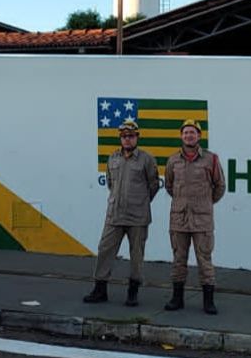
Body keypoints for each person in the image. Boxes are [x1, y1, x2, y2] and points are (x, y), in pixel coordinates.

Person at [83, 118, 159, 305]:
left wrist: (139, 201)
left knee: (136, 256)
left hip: (138, 217)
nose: (127, 139)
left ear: (137, 138)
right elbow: (110, 183)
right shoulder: (112, 158)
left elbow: (154, 185)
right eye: (124, 136)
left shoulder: (146, 159)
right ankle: (100, 289)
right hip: (114, 215)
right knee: (104, 250)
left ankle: (132, 293)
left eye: (131, 136)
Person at [163, 118, 226, 314]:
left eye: (193, 132)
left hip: (202, 220)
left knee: (204, 260)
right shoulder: (173, 160)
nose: (189, 135)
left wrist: (205, 203)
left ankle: (208, 301)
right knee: (178, 259)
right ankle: (177, 298)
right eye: (186, 132)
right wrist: (184, 203)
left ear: (199, 136)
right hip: (179, 219)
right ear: (181, 136)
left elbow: (220, 186)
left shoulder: (211, 159)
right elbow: (169, 186)